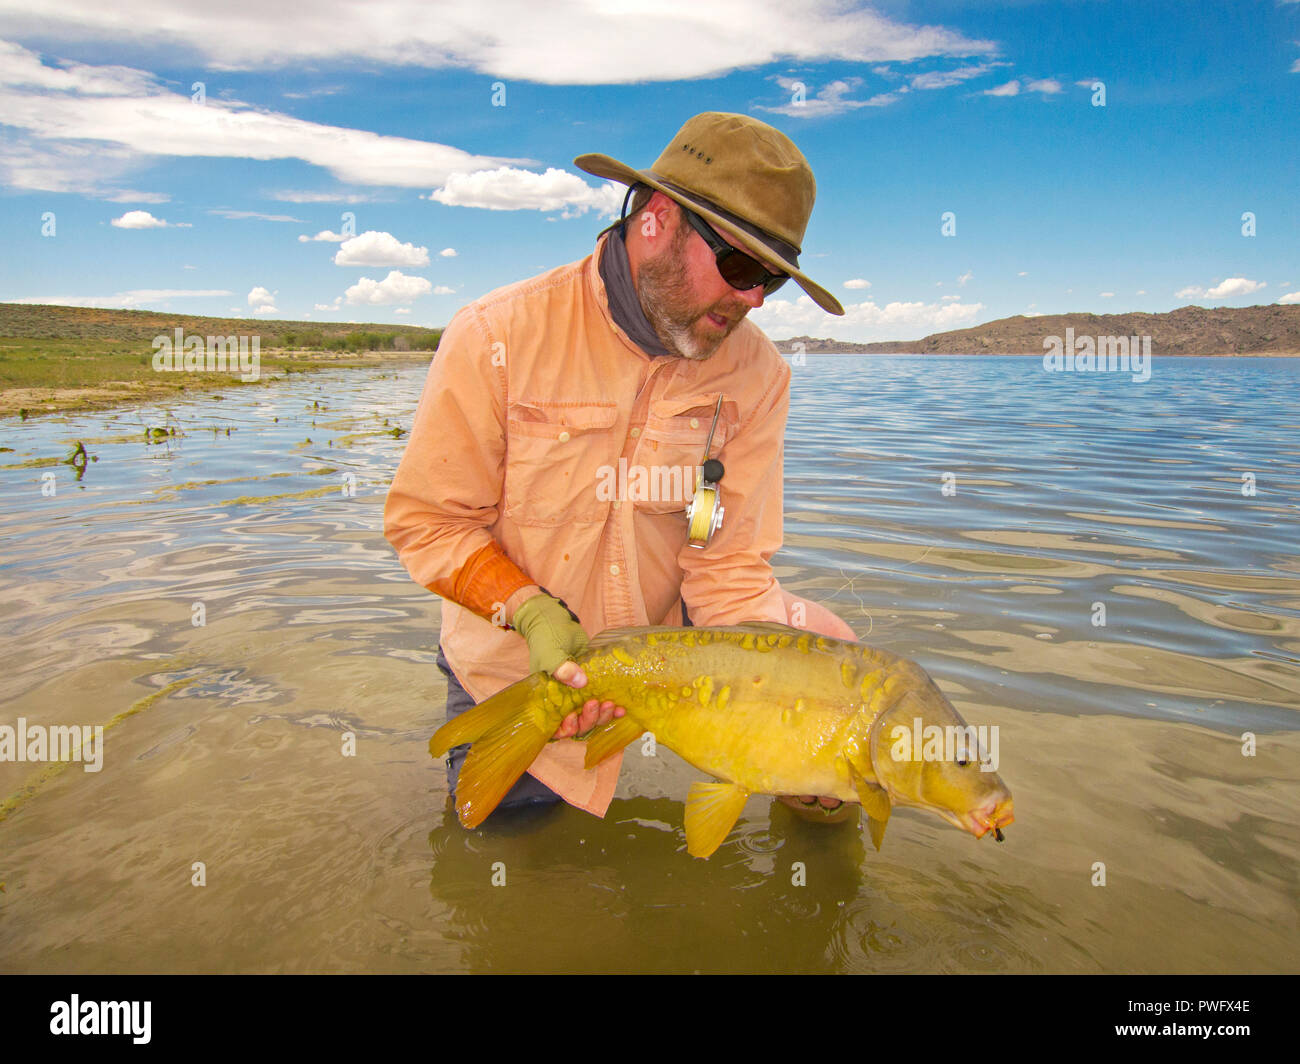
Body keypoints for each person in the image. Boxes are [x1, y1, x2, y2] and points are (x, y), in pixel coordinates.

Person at [384, 111, 857, 827]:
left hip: (676, 663)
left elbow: (727, 567)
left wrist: (809, 697)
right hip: (516, 659)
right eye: (739, 267)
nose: (754, 299)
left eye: (773, 281)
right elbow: (429, 523)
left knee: (841, 704)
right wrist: (532, 610)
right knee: (510, 871)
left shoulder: (759, 377)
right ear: (659, 220)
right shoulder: (495, 335)